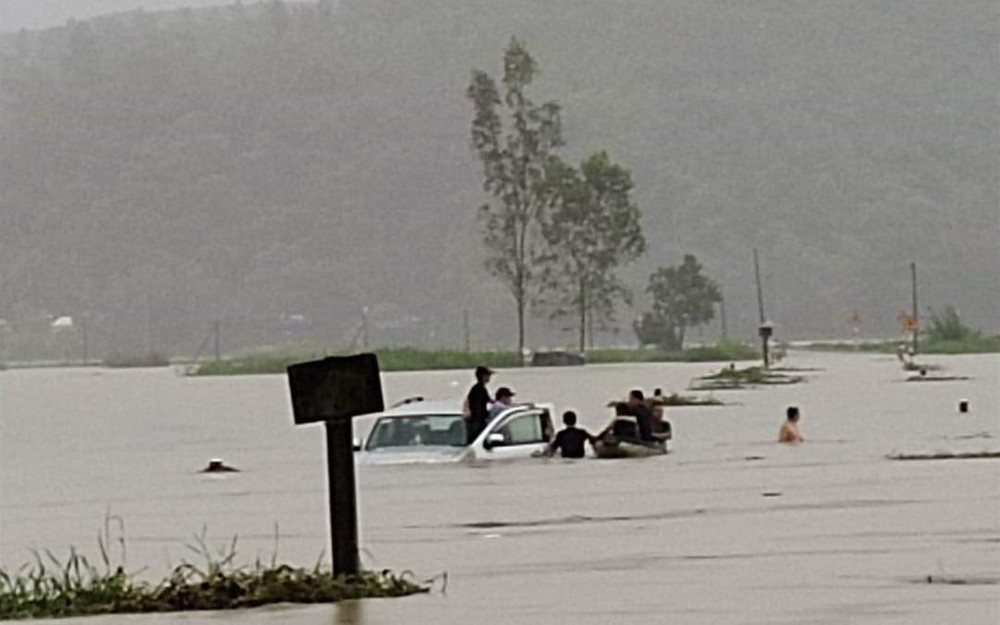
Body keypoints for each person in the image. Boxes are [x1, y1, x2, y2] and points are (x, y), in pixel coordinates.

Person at [465, 365, 492, 444]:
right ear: (483, 376)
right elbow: (478, 407)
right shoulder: (479, 389)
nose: (489, 378)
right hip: (477, 422)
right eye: (488, 375)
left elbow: (490, 401)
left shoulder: (478, 388)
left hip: (477, 421)